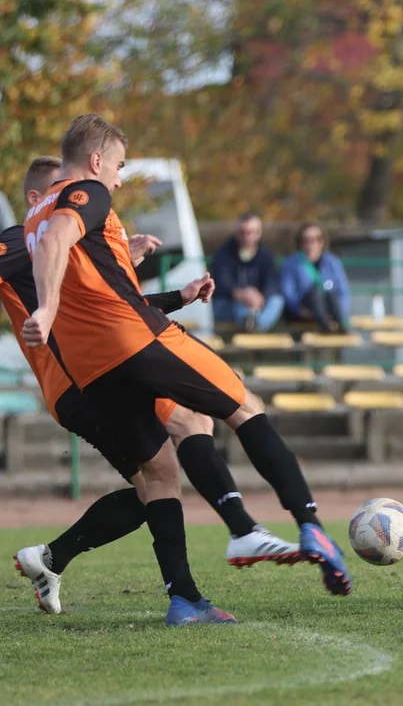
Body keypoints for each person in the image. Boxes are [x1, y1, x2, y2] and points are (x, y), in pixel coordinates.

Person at [21, 115, 352, 624]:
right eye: (118, 165)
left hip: (90, 370)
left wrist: (134, 270)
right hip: (134, 341)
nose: (119, 177)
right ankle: (304, 525)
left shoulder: (33, 217)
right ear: (95, 161)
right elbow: (57, 244)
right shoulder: (86, 192)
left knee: (159, 476)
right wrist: (43, 309)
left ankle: (184, 600)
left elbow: (69, 261)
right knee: (244, 405)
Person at [211, 213, 284, 332]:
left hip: (258, 303)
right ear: (236, 232)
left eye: (251, 232)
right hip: (229, 304)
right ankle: (250, 324)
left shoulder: (266, 256)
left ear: (259, 233)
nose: (247, 236)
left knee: (277, 301)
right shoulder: (222, 255)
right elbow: (221, 284)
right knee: (242, 305)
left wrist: (260, 297)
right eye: (243, 232)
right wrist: (241, 295)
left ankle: (256, 326)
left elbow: (272, 283)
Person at [281, 222, 350, 332]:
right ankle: (327, 327)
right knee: (315, 293)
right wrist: (300, 310)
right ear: (300, 242)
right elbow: (287, 293)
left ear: (322, 241)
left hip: (330, 308)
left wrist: (341, 311)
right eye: (306, 240)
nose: (311, 244)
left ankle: (339, 325)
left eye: (316, 239)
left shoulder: (332, 262)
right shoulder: (291, 263)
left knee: (330, 293)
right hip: (305, 309)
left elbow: (343, 292)